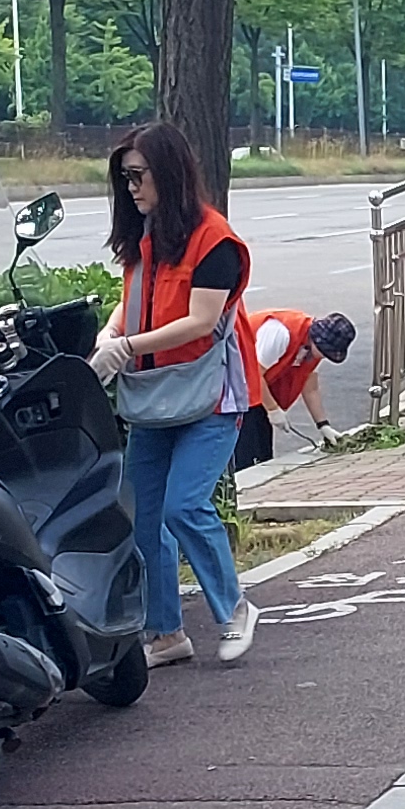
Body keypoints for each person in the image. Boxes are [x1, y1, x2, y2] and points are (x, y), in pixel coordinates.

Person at [87, 123, 260, 668]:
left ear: (169, 172)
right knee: (144, 518)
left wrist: (125, 346)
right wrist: (110, 334)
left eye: (138, 176)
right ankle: (165, 633)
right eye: (124, 178)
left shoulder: (214, 241)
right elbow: (132, 299)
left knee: (185, 506)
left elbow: (202, 322)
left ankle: (234, 611)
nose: (131, 188)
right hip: (154, 394)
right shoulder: (145, 236)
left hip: (210, 396)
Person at [245, 308, 358, 451]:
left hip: (258, 393)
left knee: (262, 448)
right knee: (247, 449)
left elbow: (310, 388)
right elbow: (253, 374)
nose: (325, 356)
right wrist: (273, 409)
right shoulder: (281, 333)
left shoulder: (313, 351)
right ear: (318, 340)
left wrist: (323, 425)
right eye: (326, 352)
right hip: (235, 384)